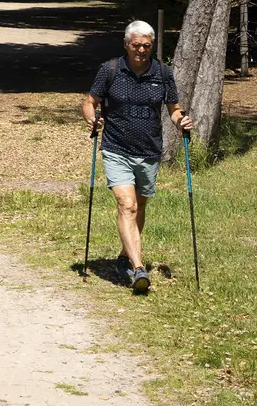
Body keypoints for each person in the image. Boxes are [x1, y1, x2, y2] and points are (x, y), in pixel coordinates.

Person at [82, 20, 192, 294]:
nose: (142, 50)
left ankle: (124, 256)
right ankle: (139, 268)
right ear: (126, 45)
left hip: (149, 150)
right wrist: (92, 119)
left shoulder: (163, 73)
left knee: (139, 206)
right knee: (127, 205)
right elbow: (90, 102)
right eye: (137, 45)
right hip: (116, 148)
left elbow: (174, 108)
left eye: (147, 46)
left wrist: (181, 121)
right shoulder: (110, 70)